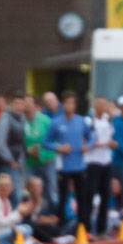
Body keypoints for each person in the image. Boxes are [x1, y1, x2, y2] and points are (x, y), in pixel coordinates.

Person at [43, 91, 93, 233]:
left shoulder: (81, 121)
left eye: (72, 103)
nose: (69, 106)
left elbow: (90, 138)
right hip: (63, 167)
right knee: (62, 199)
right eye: (66, 103)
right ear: (62, 104)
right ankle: (59, 230)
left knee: (82, 198)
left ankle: (84, 229)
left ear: (75, 105)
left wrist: (86, 147)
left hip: (79, 165)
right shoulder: (56, 122)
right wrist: (59, 147)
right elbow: (45, 142)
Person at [84, 97, 115, 236]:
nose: (104, 106)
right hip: (93, 161)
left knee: (105, 195)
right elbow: (86, 143)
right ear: (95, 106)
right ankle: (87, 227)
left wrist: (111, 144)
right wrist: (102, 144)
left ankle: (102, 229)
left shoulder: (107, 121)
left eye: (105, 104)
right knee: (90, 194)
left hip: (105, 161)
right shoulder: (89, 121)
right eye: (101, 104)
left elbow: (110, 138)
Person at [24, 95, 57, 212]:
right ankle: (33, 214)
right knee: (31, 190)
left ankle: (52, 213)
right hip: (29, 162)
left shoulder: (45, 120)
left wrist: (45, 154)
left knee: (50, 189)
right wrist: (28, 151)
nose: (27, 105)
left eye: (29, 102)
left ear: (35, 106)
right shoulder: (21, 122)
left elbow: (53, 140)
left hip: (47, 161)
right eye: (25, 102)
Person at [0, 92, 27, 205]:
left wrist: (20, 160)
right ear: (11, 104)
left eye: (22, 104)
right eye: (16, 103)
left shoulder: (22, 118)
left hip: (17, 163)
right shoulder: (5, 118)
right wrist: (10, 160)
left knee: (17, 193)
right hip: (6, 164)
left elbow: (22, 142)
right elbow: (0, 143)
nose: (19, 107)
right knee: (11, 195)